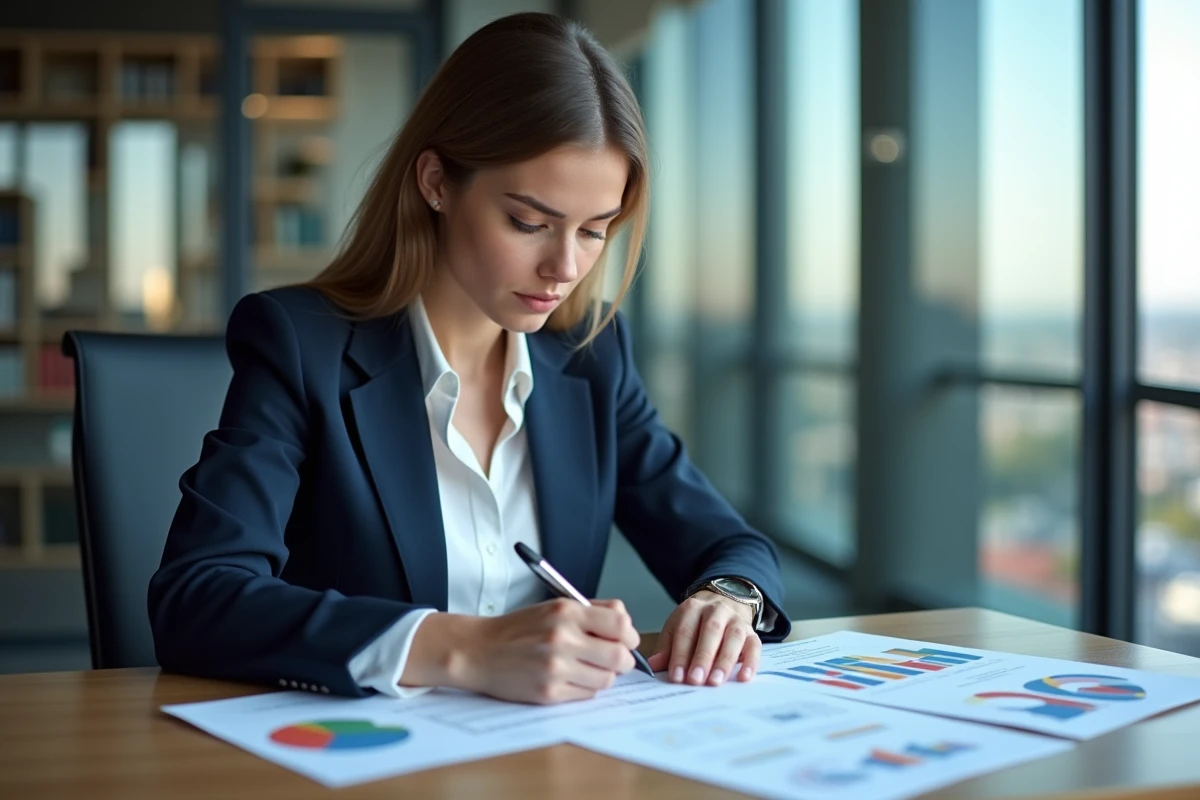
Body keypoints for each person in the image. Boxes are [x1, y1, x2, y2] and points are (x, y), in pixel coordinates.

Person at [148, 12, 790, 705]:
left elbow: (730, 545)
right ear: (436, 182)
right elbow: (198, 598)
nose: (564, 267)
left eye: (596, 231)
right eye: (528, 222)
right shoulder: (302, 346)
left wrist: (728, 600)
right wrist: (462, 648)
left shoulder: (590, 358)